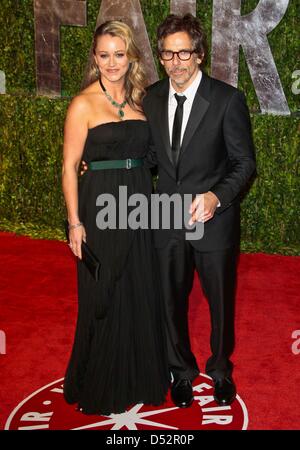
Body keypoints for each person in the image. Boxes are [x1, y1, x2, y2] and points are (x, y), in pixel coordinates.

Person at [142, 14, 256, 408]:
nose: (176, 61)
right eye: (168, 53)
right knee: (170, 300)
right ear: (160, 57)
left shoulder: (227, 100)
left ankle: (221, 369)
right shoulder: (152, 97)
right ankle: (182, 370)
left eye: (184, 52)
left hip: (214, 223)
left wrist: (216, 197)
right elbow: (151, 156)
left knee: (220, 301)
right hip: (167, 219)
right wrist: (106, 164)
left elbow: (244, 164)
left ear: (200, 54)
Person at [62, 20, 169, 415]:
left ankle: (140, 375)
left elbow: (156, 155)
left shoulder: (144, 101)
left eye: (119, 54)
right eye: (104, 55)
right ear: (95, 58)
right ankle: (99, 379)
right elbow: (70, 165)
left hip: (139, 201)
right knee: (103, 291)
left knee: (139, 287)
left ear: (131, 57)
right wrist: (75, 222)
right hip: (99, 206)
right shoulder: (83, 104)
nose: (112, 63)